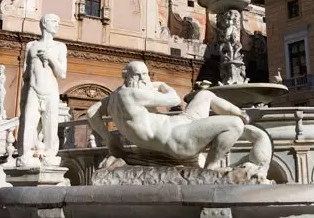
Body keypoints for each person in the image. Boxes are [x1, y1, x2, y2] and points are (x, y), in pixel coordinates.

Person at [87, 61, 271, 175]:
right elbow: (173, 98)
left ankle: (241, 112)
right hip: (177, 139)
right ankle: (211, 168)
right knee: (233, 125)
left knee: (205, 95)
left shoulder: (116, 95)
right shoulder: (134, 94)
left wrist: (109, 138)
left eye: (145, 74)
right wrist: (163, 84)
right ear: (129, 77)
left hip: (180, 124)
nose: (144, 78)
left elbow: (91, 112)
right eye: (140, 75)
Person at [17, 13, 68, 167]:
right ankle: (27, 153)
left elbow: (62, 73)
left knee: (50, 126)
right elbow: (25, 75)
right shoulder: (30, 46)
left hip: (50, 91)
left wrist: (51, 58)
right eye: (54, 21)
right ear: (44, 23)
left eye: (58, 22)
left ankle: (50, 154)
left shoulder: (60, 47)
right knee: (28, 123)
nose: (57, 25)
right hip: (33, 89)